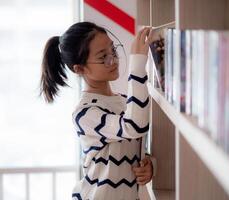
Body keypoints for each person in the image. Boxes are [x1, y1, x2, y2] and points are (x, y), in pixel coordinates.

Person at [40, 21, 156, 200]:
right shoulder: (84, 113)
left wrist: (148, 163)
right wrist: (138, 64)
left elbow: (131, 144)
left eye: (113, 51)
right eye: (103, 57)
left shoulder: (125, 101)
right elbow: (133, 126)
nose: (114, 60)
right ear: (79, 69)